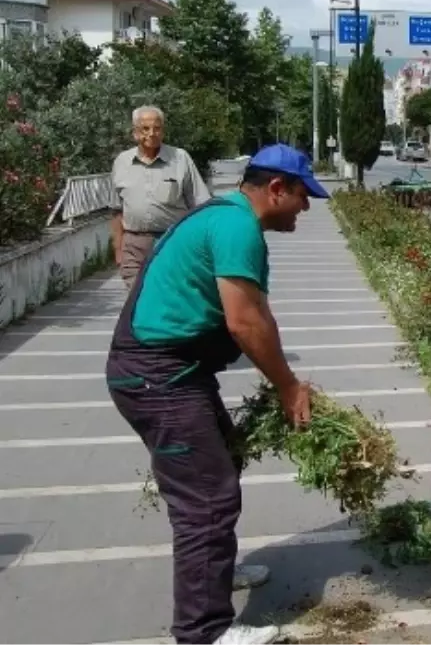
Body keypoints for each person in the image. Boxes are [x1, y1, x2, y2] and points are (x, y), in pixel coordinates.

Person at [106, 144, 329, 645]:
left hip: (172, 371)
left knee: (221, 466)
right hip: (156, 376)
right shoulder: (235, 227)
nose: (305, 207)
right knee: (207, 498)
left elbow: (254, 315)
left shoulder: (226, 216)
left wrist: (284, 379)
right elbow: (245, 321)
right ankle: (203, 631)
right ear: (276, 189)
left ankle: (214, 576)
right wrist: (289, 388)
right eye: (302, 196)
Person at [110, 105, 211, 288]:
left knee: (171, 298)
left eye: (157, 128)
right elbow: (117, 211)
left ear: (163, 131)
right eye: (145, 128)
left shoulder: (180, 158)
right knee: (136, 302)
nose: (152, 133)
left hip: (171, 242)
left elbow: (200, 205)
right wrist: (118, 251)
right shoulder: (122, 162)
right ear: (135, 132)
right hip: (134, 246)